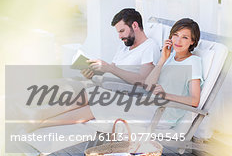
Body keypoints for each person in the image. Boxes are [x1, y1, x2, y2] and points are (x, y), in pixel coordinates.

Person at [35, 18, 203, 132]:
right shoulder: (168, 58)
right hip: (146, 104)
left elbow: (194, 100)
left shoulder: (193, 62)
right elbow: (148, 85)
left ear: (192, 41)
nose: (178, 41)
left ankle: (43, 123)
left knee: (99, 105)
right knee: (94, 93)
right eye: (175, 35)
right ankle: (42, 116)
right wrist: (162, 61)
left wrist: (166, 95)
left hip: (161, 114)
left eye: (184, 37)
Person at [83, 8, 160, 85]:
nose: (119, 37)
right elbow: (113, 72)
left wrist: (110, 68)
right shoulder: (124, 47)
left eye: (122, 31)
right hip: (107, 85)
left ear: (135, 26)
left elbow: (144, 80)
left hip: (124, 92)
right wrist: (94, 73)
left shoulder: (149, 47)